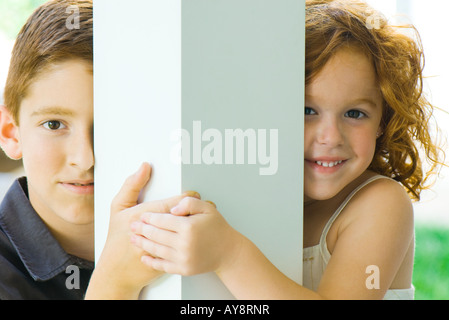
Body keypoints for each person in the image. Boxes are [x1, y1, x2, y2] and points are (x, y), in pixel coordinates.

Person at [130, 0, 444, 299]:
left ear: (382, 122)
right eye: (307, 111)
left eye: (355, 114)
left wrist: (228, 254)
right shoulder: (262, 195)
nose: (331, 137)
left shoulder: (380, 204)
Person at [0, 0, 189, 300]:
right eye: (53, 125)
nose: (85, 159)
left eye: (107, 128)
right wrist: (115, 284)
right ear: (10, 132)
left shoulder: (179, 237)